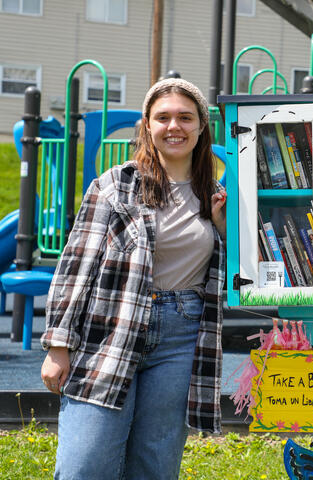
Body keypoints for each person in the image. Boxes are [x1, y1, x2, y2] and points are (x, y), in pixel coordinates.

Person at [40, 77, 227, 479]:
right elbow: (75, 267)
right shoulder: (114, 186)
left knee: (154, 465)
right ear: (147, 125)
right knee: (84, 464)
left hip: (181, 334)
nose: (174, 126)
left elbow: (243, 273)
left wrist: (223, 228)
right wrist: (58, 344)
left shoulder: (219, 195)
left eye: (185, 117)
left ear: (200, 127)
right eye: (163, 117)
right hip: (109, 328)